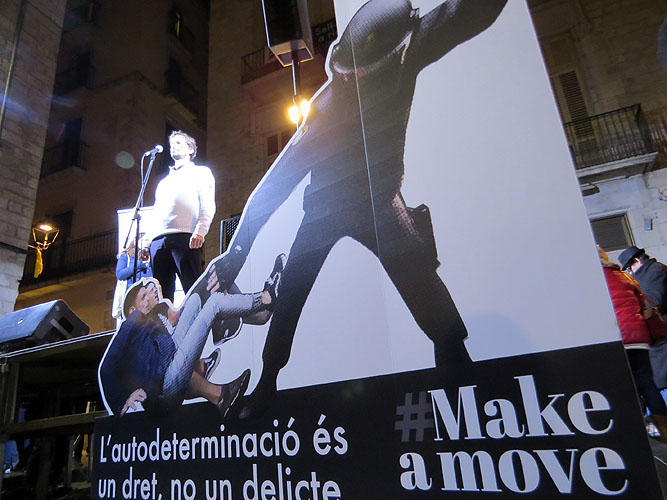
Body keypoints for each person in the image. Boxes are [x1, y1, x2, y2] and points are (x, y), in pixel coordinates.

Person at [212, 0, 507, 417]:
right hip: (325, 209)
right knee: (293, 289)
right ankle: (268, 381)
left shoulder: (407, 51)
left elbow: (466, 12)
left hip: (379, 200)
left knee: (418, 273)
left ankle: (455, 359)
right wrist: (237, 253)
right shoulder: (327, 112)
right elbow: (272, 188)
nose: (356, 82)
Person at [99, 257, 282, 417]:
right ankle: (266, 298)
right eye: (143, 297)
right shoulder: (133, 321)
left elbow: (172, 332)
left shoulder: (150, 323)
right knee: (214, 304)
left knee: (195, 300)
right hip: (164, 386)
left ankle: (227, 329)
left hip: (169, 361)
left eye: (148, 294)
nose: (148, 299)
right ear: (132, 309)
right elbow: (107, 366)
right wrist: (120, 401)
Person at [599, 246, 667, 442]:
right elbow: (644, 303)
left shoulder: (596, 279)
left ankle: (634, 431)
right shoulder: (623, 277)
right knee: (647, 383)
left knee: (624, 384)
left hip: (619, 337)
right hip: (640, 338)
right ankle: (664, 429)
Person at [149, 130, 215, 302]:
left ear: (191, 149)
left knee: (192, 289)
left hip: (185, 236)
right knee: (161, 297)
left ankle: (199, 318)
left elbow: (207, 204)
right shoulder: (163, 182)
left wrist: (200, 230)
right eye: (172, 144)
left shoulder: (201, 172)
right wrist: (146, 241)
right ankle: (165, 321)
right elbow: (156, 212)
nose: (173, 147)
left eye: (178, 143)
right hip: (159, 240)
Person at [618, 246, 667, 313]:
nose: (630, 272)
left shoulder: (656, 270)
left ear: (637, 260)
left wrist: (633, 306)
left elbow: (654, 301)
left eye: (629, 268)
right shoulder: (646, 273)